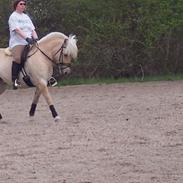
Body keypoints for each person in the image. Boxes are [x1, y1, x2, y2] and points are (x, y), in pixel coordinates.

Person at [8, 0, 38, 89]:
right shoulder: (13, 16)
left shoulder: (26, 17)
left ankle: (47, 77)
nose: (23, 5)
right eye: (21, 4)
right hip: (18, 42)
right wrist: (26, 38)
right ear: (16, 5)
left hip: (29, 41)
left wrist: (36, 39)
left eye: (24, 4)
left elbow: (32, 29)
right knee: (18, 58)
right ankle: (15, 80)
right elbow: (17, 30)